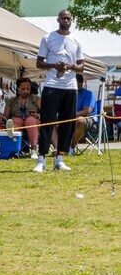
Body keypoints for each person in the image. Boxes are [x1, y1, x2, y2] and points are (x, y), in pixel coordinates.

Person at [33, 9, 84, 172]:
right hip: (52, 84)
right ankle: (41, 159)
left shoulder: (76, 39)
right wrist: (53, 65)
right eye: (63, 18)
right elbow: (39, 63)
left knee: (67, 123)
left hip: (70, 86)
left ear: (72, 20)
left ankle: (60, 158)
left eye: (68, 18)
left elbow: (81, 66)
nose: (66, 20)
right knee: (47, 122)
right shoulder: (47, 38)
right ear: (58, 19)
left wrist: (72, 66)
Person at [3, 77, 41, 159]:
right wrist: (0, 117)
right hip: (18, 121)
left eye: (28, 89)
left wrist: (38, 115)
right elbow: (5, 116)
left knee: (30, 120)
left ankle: (34, 150)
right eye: (23, 89)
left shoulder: (36, 98)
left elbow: (45, 112)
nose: (26, 91)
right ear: (18, 89)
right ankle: (14, 150)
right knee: (14, 121)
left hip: (33, 121)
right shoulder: (11, 101)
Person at [69, 74, 96, 152]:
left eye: (74, 82)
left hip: (88, 119)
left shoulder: (88, 94)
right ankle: (59, 148)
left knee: (80, 120)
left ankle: (71, 147)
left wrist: (72, 114)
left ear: (81, 83)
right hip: (71, 119)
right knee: (54, 121)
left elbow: (87, 111)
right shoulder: (69, 94)